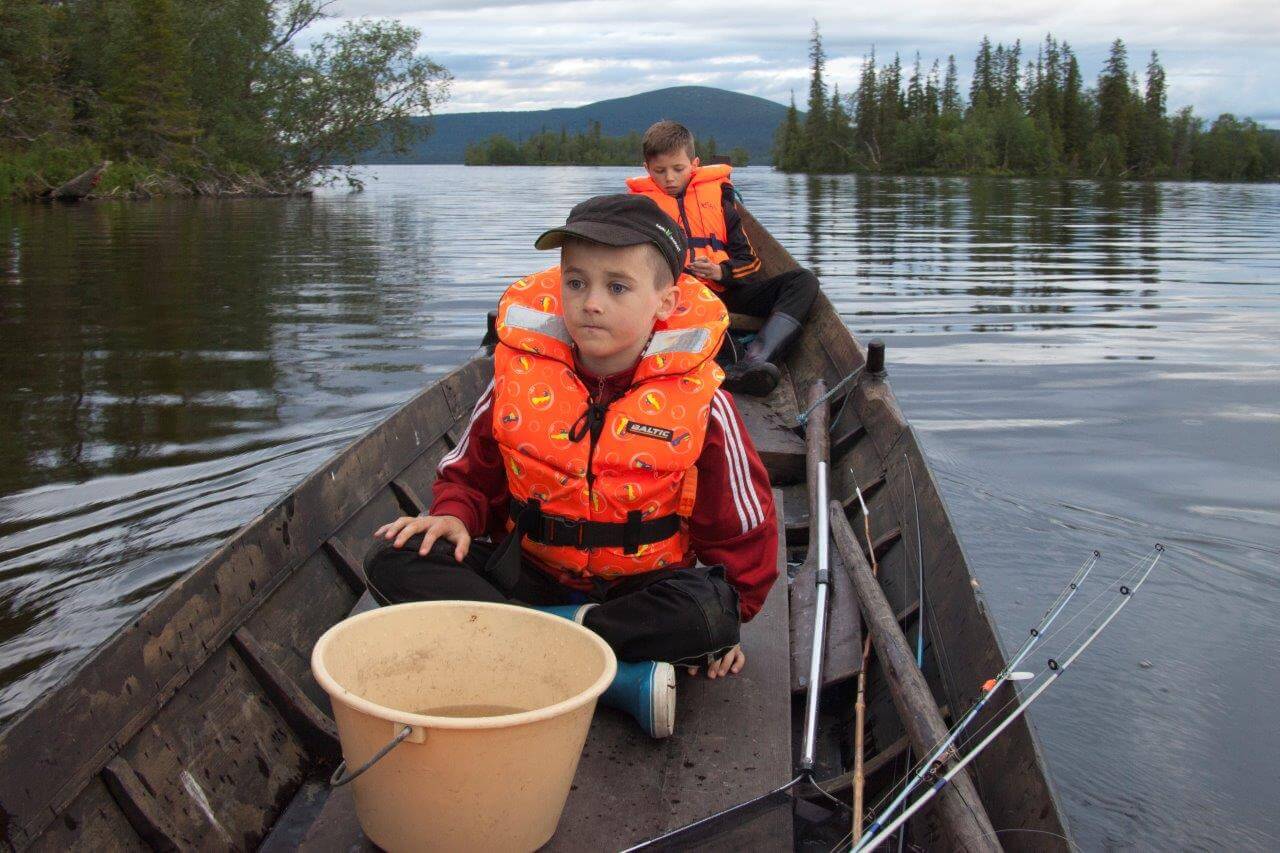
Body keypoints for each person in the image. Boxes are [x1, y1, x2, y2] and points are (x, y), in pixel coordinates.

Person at [365, 195, 778, 739]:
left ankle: (514, 652)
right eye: (576, 283)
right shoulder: (515, 378)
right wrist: (455, 516)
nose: (591, 303)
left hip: (641, 595)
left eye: (618, 287)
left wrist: (731, 620)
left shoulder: (706, 403)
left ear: (665, 301)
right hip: (528, 578)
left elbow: (743, 523)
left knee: (708, 613)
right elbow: (470, 471)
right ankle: (614, 676)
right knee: (392, 557)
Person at [626, 119, 820, 397]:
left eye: (678, 169)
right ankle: (729, 365)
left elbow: (750, 264)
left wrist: (721, 272)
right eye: (660, 171)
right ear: (647, 169)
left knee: (804, 282)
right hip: (679, 301)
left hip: (727, 291)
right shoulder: (641, 209)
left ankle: (756, 358)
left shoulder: (719, 203)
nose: (669, 178)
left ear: (694, 164)